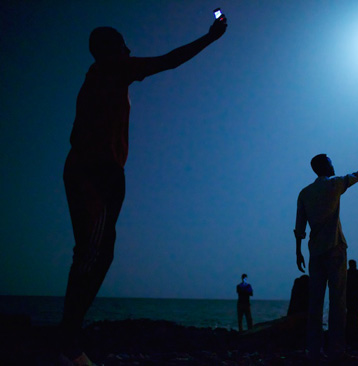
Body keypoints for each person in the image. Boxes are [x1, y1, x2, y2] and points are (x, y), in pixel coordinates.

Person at [60, 16, 227, 365]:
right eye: (123, 44)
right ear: (110, 50)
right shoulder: (109, 71)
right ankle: (68, 343)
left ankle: (69, 338)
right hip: (96, 172)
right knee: (93, 253)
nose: (130, 49)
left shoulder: (100, 78)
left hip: (92, 170)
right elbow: (168, 60)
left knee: (94, 253)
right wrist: (209, 38)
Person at [294, 141, 358, 362]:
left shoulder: (305, 193)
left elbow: (299, 228)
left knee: (315, 303)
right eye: (330, 164)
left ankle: (314, 350)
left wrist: (298, 252)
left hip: (315, 252)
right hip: (335, 248)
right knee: (338, 301)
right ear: (325, 168)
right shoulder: (335, 184)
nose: (333, 166)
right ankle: (336, 349)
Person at [346, 259, 358, 339]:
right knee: (355, 312)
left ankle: (350, 328)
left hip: (350, 295)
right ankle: (355, 328)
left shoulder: (346, 273)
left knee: (350, 312)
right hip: (355, 295)